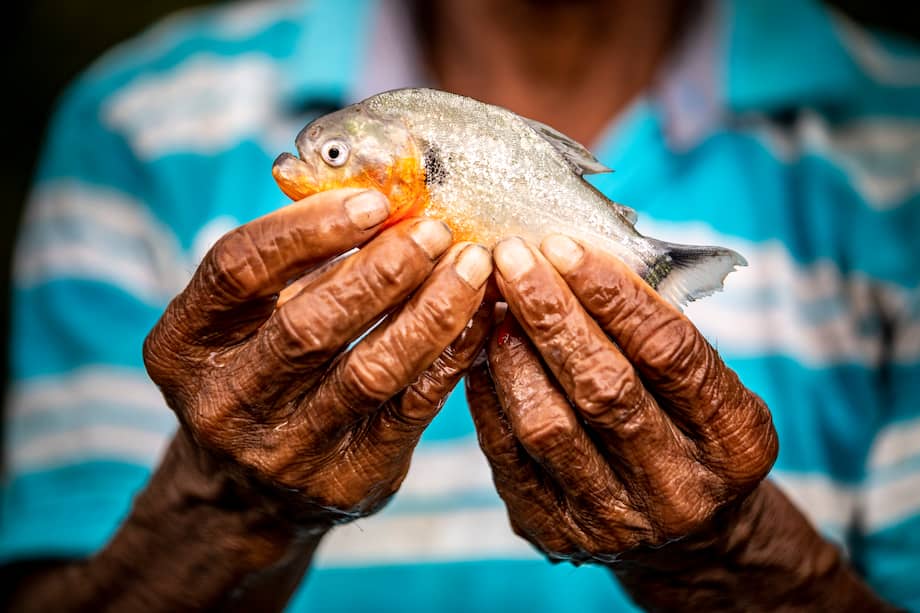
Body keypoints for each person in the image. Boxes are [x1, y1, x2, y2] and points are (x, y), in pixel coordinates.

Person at [2, 0, 919, 610]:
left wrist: (738, 559)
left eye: (328, 159)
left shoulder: (901, 140)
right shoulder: (134, 127)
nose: (309, 170)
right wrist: (222, 512)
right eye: (324, 158)